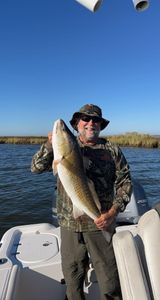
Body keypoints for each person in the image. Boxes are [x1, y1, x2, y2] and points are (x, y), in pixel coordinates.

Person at [31, 104, 132, 300]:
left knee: (109, 280)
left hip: (100, 222)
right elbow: (35, 168)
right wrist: (50, 145)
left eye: (95, 120)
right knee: (72, 279)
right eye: (85, 118)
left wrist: (112, 213)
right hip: (70, 226)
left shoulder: (112, 150)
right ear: (77, 123)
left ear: (101, 125)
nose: (90, 123)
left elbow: (125, 181)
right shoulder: (63, 147)